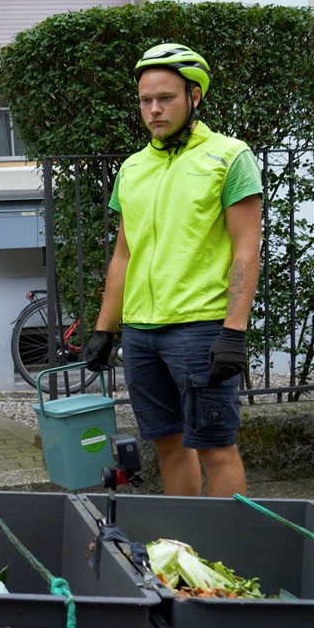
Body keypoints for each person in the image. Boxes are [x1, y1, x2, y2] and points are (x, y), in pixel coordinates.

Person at [82, 43, 263, 497]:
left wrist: (234, 332)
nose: (155, 110)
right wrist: (105, 329)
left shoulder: (229, 157)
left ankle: (223, 561)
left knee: (216, 447)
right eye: (146, 100)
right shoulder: (133, 167)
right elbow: (124, 253)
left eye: (167, 98)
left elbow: (246, 248)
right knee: (168, 444)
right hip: (142, 332)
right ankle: (183, 554)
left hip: (200, 330)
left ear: (194, 96)